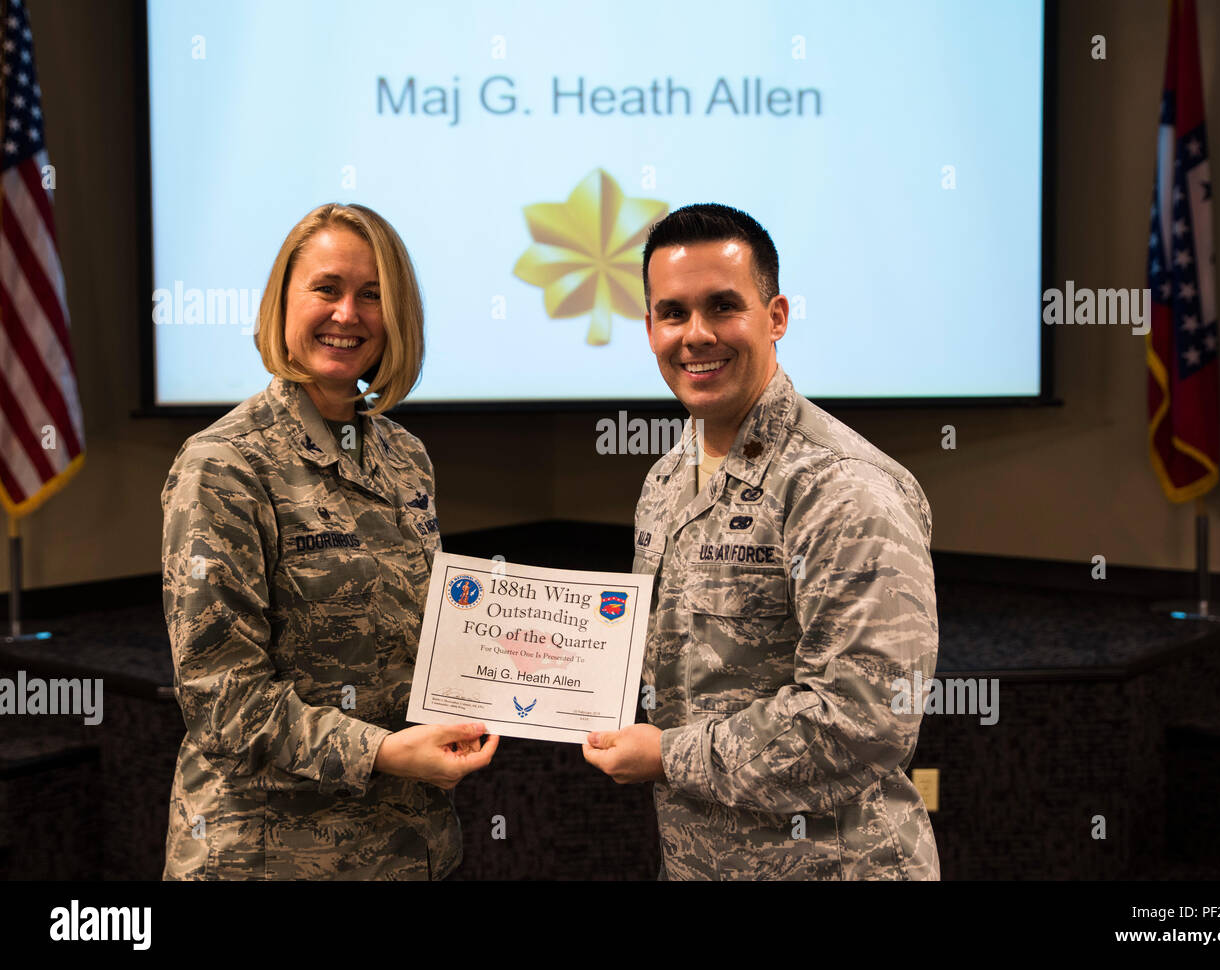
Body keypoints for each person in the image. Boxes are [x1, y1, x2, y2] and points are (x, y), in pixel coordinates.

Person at [582, 203, 940, 879]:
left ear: (775, 316)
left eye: (723, 307)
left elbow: (865, 721)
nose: (696, 335)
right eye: (672, 313)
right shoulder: (666, 479)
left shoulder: (844, 487)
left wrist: (666, 756)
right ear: (650, 326)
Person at [160, 203, 497, 880]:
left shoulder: (405, 457)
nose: (349, 314)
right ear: (282, 300)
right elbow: (223, 699)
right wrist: (385, 753)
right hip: (268, 854)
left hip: (406, 848)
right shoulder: (225, 465)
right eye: (327, 288)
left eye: (373, 295)